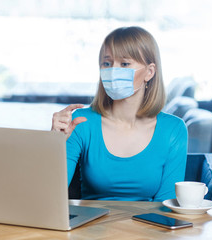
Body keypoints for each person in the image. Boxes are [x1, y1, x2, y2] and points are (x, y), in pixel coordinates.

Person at [51, 26, 188, 202]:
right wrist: (54, 143)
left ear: (149, 72)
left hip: (149, 227)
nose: (113, 71)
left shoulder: (173, 129)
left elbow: (167, 203)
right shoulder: (81, 122)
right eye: (107, 63)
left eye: (124, 64)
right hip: (90, 227)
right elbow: (51, 195)